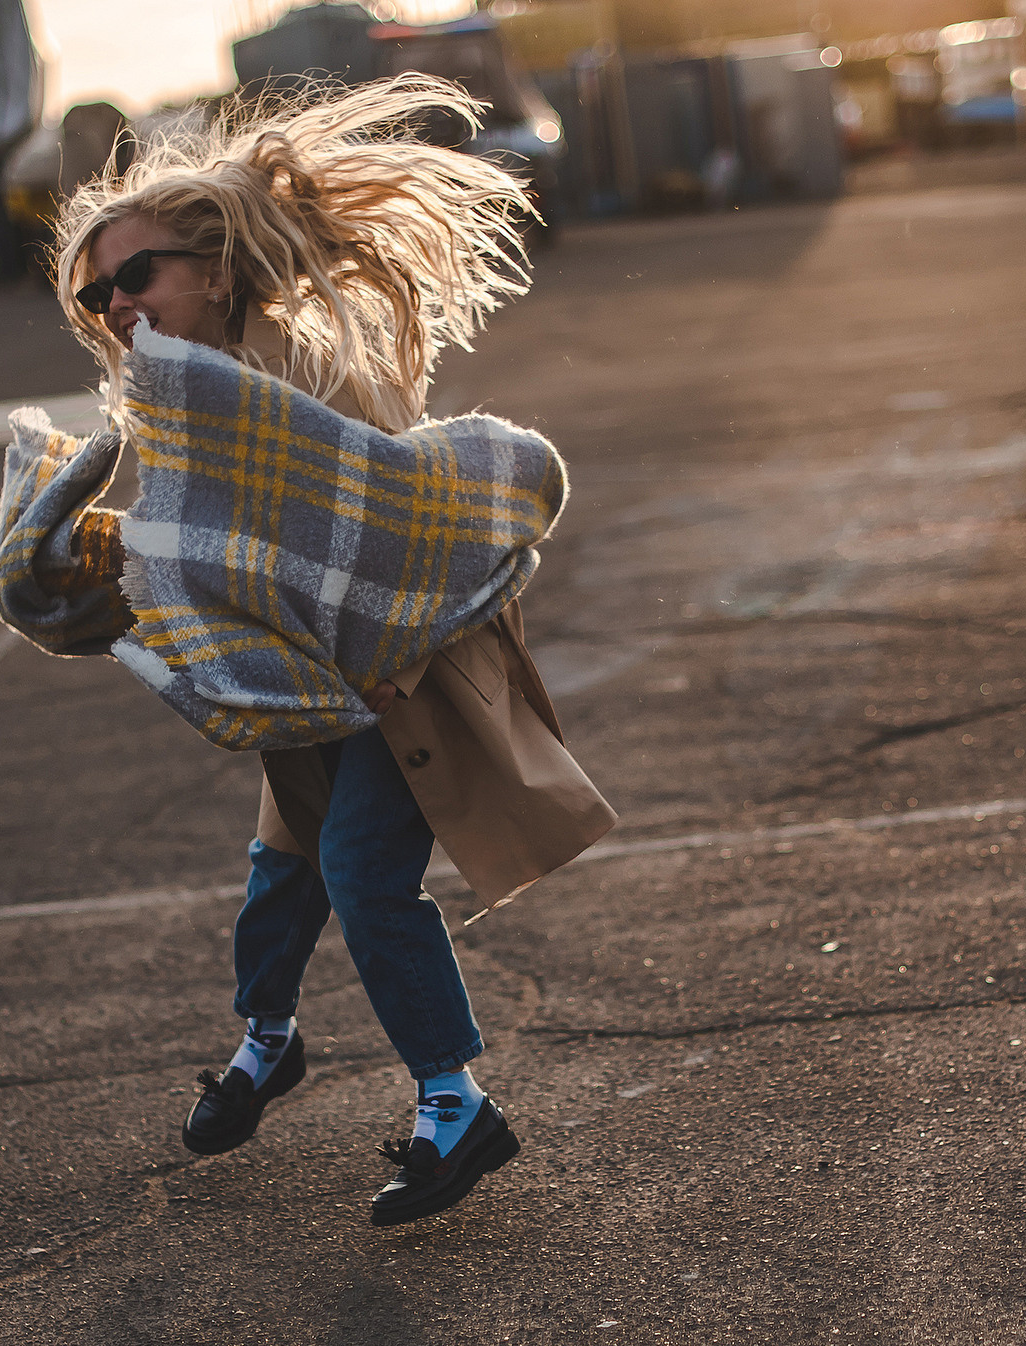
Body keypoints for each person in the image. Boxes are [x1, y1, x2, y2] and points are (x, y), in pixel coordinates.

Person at [35, 76, 615, 1225]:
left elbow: (407, 522)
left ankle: (455, 1107)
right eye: (97, 290)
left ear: (213, 264)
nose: (114, 302)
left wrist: (388, 643)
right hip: (306, 684)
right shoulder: (183, 400)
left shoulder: (303, 372)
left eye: (136, 274)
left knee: (359, 874)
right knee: (280, 878)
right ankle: (268, 1041)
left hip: (402, 678)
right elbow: (210, 550)